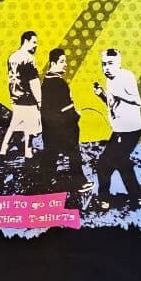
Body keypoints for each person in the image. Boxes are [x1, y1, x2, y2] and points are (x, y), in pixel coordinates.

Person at [92, 49, 141, 211]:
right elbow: (113, 105)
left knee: (104, 164)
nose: (106, 68)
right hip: (120, 129)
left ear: (118, 63)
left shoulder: (126, 77)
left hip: (130, 130)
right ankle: (137, 196)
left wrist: (119, 93)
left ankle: (104, 198)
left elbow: (137, 101)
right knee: (121, 163)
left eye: (110, 64)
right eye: (104, 64)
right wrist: (102, 95)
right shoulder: (110, 80)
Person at [39, 48, 93, 193]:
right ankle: (80, 183)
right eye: (62, 61)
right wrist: (77, 115)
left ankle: (43, 184)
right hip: (63, 129)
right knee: (74, 154)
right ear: (53, 63)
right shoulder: (59, 83)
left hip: (49, 128)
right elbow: (67, 109)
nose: (65, 64)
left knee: (50, 155)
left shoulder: (46, 82)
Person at [0, 30, 41, 159]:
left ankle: (3, 149)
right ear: (26, 41)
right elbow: (33, 80)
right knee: (31, 126)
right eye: (34, 42)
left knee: (15, 123)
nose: (36, 46)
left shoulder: (12, 57)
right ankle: (28, 153)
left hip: (15, 96)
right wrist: (39, 100)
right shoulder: (29, 58)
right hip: (28, 97)